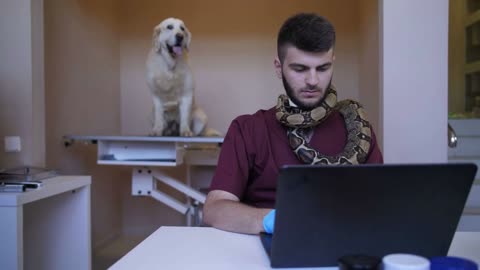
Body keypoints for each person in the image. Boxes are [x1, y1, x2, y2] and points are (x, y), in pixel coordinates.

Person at [202, 13, 383, 235]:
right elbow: (214, 209)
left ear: (333, 63)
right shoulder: (247, 129)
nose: (313, 81)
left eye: (323, 68)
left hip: (342, 242)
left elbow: (379, 204)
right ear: (279, 67)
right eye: (300, 69)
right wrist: (274, 220)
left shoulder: (357, 128)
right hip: (266, 246)